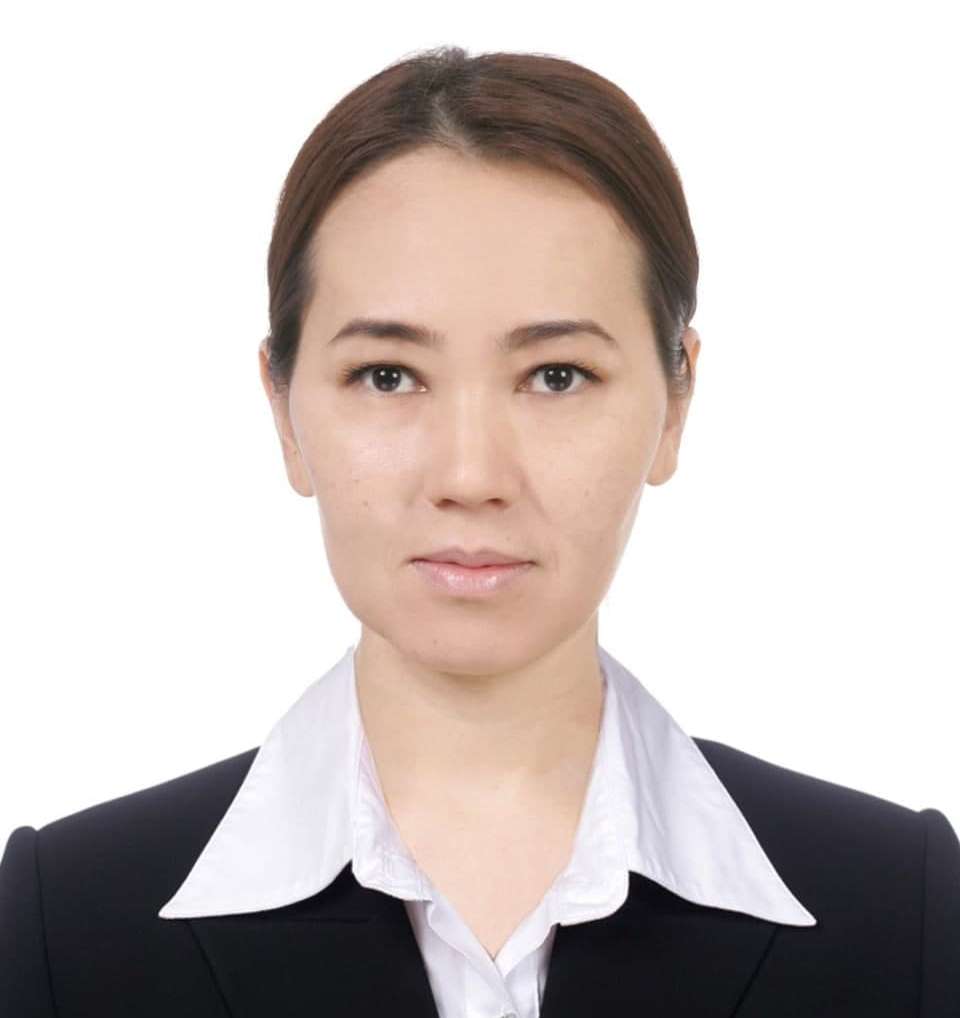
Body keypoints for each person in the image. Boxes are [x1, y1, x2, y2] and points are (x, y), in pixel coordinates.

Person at [2, 43, 957, 1017]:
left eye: (556, 376)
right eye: (387, 376)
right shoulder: (64, 926)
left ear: (675, 404)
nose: (469, 477)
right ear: (284, 410)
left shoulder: (902, 913)